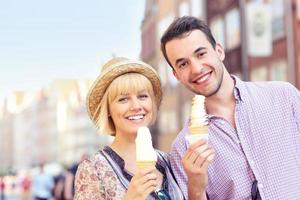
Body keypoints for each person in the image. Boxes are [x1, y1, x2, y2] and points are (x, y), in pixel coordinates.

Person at [160, 16, 300, 200]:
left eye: (201, 54)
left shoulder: (283, 96)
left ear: (219, 51)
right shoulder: (183, 148)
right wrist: (195, 188)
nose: (196, 68)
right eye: (183, 64)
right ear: (176, 75)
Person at [74, 57, 190, 199]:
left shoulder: (168, 162)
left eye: (142, 96)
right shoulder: (93, 169)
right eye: (123, 99)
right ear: (108, 110)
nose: (136, 106)